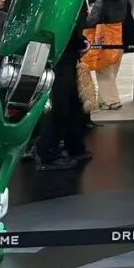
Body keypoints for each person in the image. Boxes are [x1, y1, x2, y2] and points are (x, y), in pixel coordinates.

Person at [35, 23, 92, 171]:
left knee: (72, 106)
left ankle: (75, 147)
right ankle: (48, 154)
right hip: (58, 60)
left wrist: (81, 41)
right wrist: (81, 42)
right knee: (59, 107)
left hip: (65, 58)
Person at [85, 0, 130, 110]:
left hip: (105, 40)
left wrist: (89, 12)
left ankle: (112, 101)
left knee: (103, 71)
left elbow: (91, 21)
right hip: (120, 38)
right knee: (111, 72)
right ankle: (103, 101)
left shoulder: (102, 1)